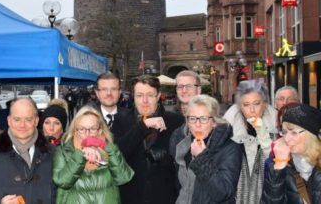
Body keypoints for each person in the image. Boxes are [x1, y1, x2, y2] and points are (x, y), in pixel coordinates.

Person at [112, 75, 184, 204]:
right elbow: (116, 153)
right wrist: (143, 126)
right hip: (130, 197)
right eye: (139, 95)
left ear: (158, 96)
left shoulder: (176, 121)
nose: (145, 100)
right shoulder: (121, 120)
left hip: (165, 197)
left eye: (150, 95)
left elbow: (183, 161)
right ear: (133, 96)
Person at [0, 98, 56, 204]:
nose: (22, 125)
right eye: (17, 119)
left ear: (36, 121)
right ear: (9, 121)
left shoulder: (53, 153)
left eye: (28, 119)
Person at [52, 105, 134, 204]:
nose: (87, 134)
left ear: (100, 130)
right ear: (75, 130)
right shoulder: (63, 151)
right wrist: (80, 156)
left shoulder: (110, 148)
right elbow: (62, 181)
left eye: (93, 129)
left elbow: (123, 178)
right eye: (82, 129)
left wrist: (106, 147)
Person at [170, 95, 242, 204]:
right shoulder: (182, 145)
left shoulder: (230, 148)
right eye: (193, 119)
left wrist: (201, 158)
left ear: (214, 122)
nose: (197, 124)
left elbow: (224, 193)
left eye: (203, 119)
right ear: (188, 122)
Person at [223, 79, 278, 204]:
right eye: (246, 105)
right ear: (239, 106)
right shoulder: (227, 130)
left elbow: (278, 165)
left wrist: (263, 133)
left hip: (269, 196)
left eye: (256, 103)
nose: (252, 110)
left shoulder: (278, 127)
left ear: (265, 103)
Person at [261, 104, 321, 204]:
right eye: (284, 132)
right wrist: (279, 167)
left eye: (293, 133)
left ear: (310, 135)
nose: (287, 139)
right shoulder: (279, 162)